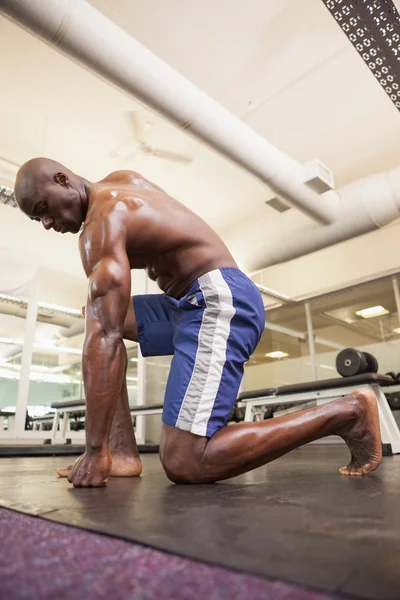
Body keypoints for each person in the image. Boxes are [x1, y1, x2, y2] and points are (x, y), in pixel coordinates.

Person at [14, 157, 382, 487]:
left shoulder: (100, 225)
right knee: (94, 315)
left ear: (62, 179)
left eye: (44, 208)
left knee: (185, 461)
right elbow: (107, 324)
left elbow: (106, 337)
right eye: (37, 219)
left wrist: (92, 452)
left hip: (220, 298)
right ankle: (123, 452)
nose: (47, 223)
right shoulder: (122, 179)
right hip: (190, 301)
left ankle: (345, 414)